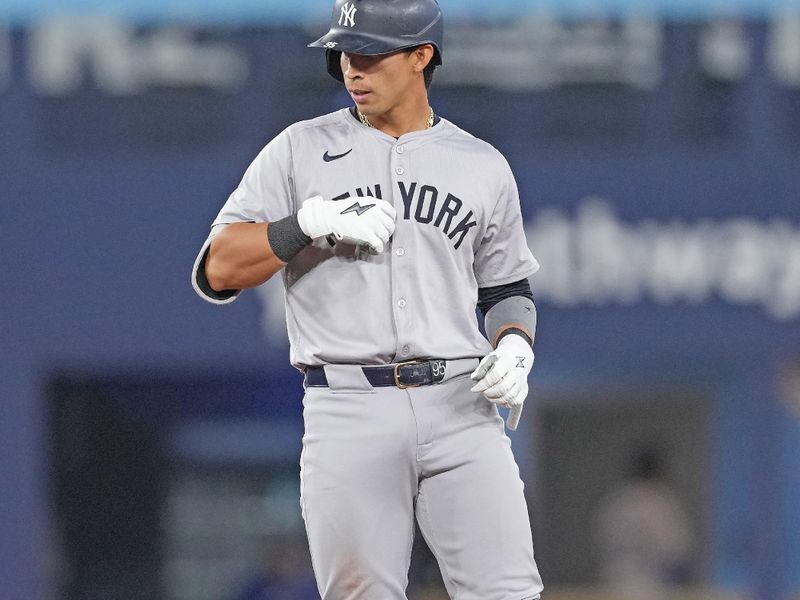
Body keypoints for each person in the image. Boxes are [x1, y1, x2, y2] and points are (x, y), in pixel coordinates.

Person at [192, 1, 544, 598]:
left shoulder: (483, 165)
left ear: (421, 57)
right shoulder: (298, 151)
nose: (352, 68)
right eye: (345, 53)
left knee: (509, 591)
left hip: (461, 405)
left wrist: (514, 345)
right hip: (348, 404)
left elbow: (508, 288)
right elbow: (217, 269)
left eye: (371, 54)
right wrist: (304, 223)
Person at [594, 445, 693, 600]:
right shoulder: (664, 504)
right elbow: (676, 554)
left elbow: (602, 542)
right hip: (654, 588)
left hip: (614, 586)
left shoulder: (617, 501)